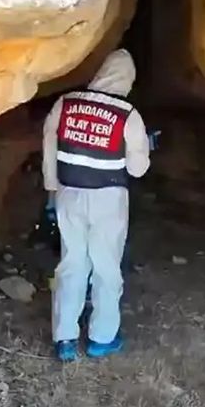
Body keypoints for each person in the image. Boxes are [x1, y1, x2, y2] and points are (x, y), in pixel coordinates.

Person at [42, 49, 151, 362]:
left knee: (72, 263)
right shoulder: (127, 114)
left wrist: (52, 191)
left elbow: (49, 148)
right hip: (108, 198)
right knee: (105, 266)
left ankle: (65, 338)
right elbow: (137, 169)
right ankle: (101, 338)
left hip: (69, 192)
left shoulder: (66, 103)